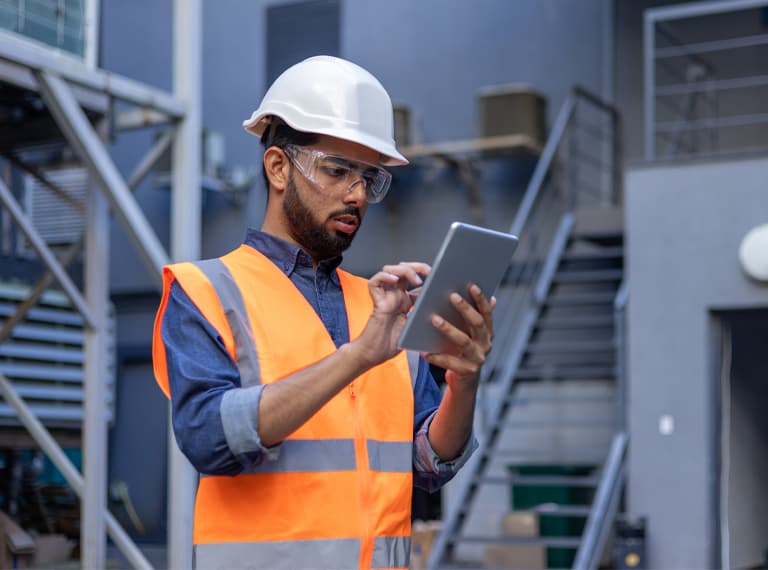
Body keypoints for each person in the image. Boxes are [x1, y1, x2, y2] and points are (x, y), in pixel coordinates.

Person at [152, 55, 495, 570]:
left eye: (370, 178)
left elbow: (428, 464)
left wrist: (463, 382)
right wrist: (357, 357)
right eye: (337, 170)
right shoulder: (206, 292)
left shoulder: (381, 309)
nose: (356, 194)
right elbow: (209, 439)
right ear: (277, 168)